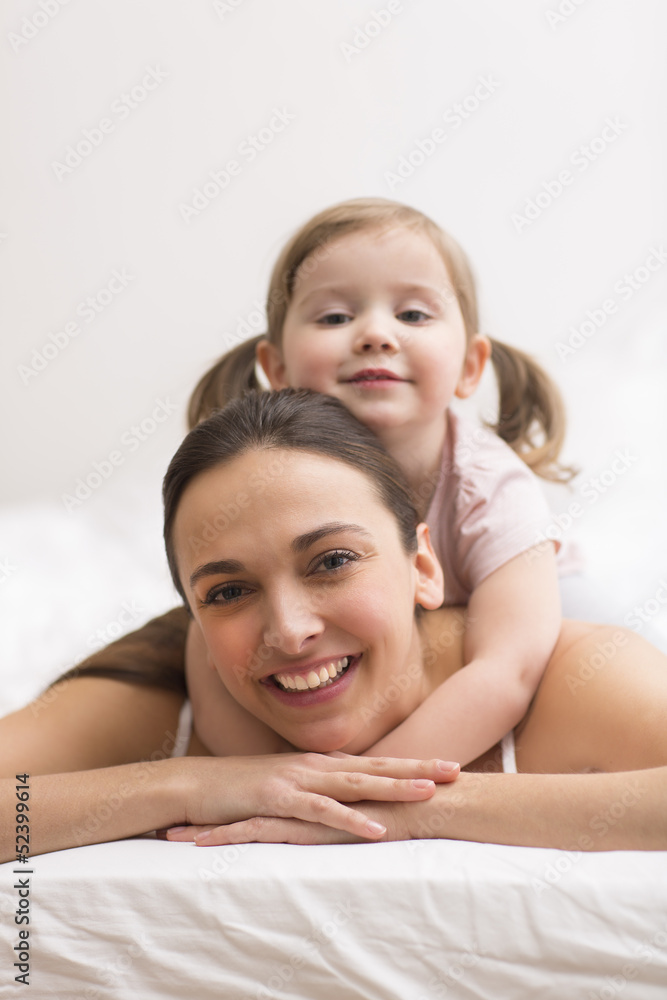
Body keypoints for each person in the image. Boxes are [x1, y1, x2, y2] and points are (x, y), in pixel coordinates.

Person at [2, 389, 666, 860]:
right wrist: (192, 785)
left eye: (332, 562)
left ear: (423, 566)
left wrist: (414, 810)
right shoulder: (159, 705)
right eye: (229, 591)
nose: (289, 631)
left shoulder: (574, 678)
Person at [186, 196, 576, 767]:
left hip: (542, 604)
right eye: (335, 318)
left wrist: (367, 789)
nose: (374, 334)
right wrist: (270, 788)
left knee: (569, 656)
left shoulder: (490, 487)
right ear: (277, 370)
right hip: (370, 655)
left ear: (470, 366)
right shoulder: (259, 481)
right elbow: (208, 650)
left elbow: (508, 668)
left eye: (413, 315)